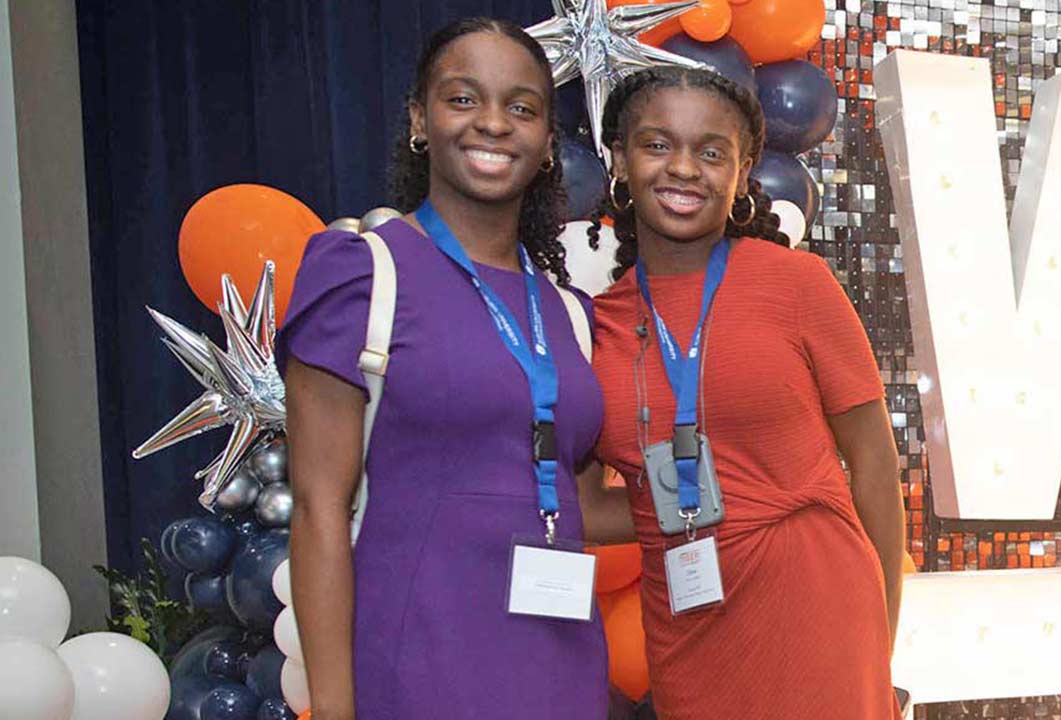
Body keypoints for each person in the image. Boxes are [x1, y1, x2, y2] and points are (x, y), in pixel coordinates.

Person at [278, 18, 611, 719]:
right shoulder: (363, 275)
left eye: (521, 107)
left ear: (549, 142)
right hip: (419, 663)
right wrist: (335, 711)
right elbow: (317, 512)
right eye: (463, 99)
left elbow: (579, 501)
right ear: (419, 120)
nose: (493, 123)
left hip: (561, 666)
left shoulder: (569, 312)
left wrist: (748, 494)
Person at [585, 66, 906, 718]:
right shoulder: (597, 325)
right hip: (688, 628)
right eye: (656, 144)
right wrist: (690, 508)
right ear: (619, 158)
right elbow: (588, 506)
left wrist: (880, 635)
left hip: (818, 608)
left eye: (711, 151)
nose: (683, 168)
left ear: (743, 170)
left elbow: (874, 464)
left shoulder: (799, 284)